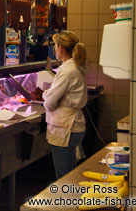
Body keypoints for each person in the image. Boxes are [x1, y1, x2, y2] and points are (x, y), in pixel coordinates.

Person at [43, 31, 88, 179]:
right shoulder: (75, 66)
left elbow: (50, 101)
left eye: (55, 46)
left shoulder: (67, 71)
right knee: (69, 172)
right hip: (72, 123)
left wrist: (45, 94)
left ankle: (67, 201)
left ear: (61, 48)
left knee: (64, 177)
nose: (55, 49)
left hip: (65, 127)